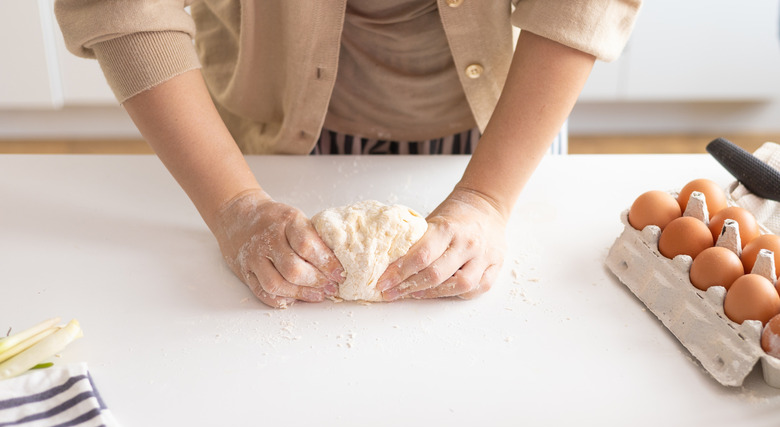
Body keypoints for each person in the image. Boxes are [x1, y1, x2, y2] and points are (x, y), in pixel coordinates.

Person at [54, 1, 641, 308]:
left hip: (510, 119)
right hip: (274, 126)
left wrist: (488, 197)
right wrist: (233, 203)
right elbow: (120, 4)